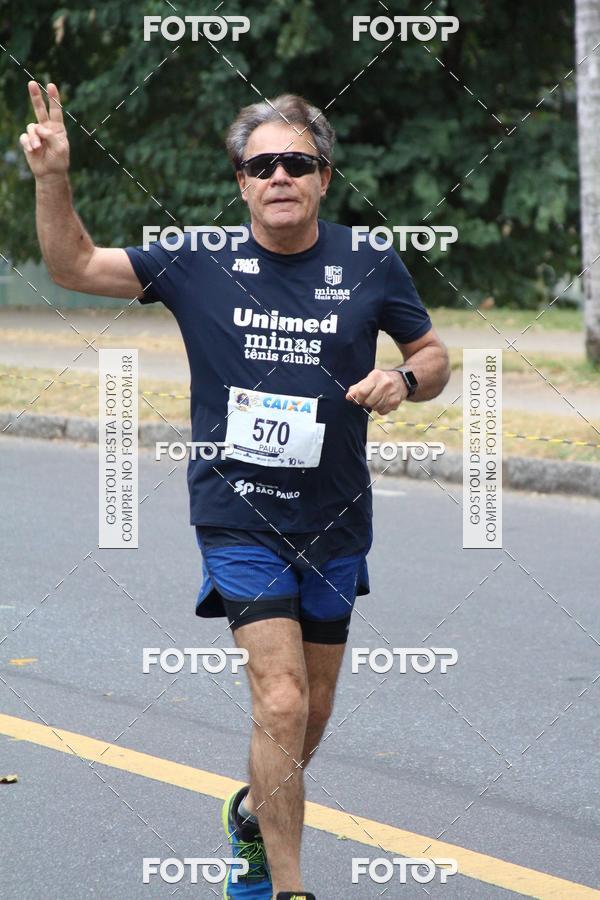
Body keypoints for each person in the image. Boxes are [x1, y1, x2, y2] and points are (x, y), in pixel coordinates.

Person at [20, 81, 450, 900]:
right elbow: (73, 264)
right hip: (238, 514)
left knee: (310, 714)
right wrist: (53, 179)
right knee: (280, 701)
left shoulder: (369, 261)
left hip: (336, 520)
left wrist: (402, 378)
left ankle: (252, 812)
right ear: (243, 181)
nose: (279, 176)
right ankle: (286, 887)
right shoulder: (199, 261)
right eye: (263, 165)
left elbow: (433, 354)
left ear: (325, 175)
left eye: (298, 161)